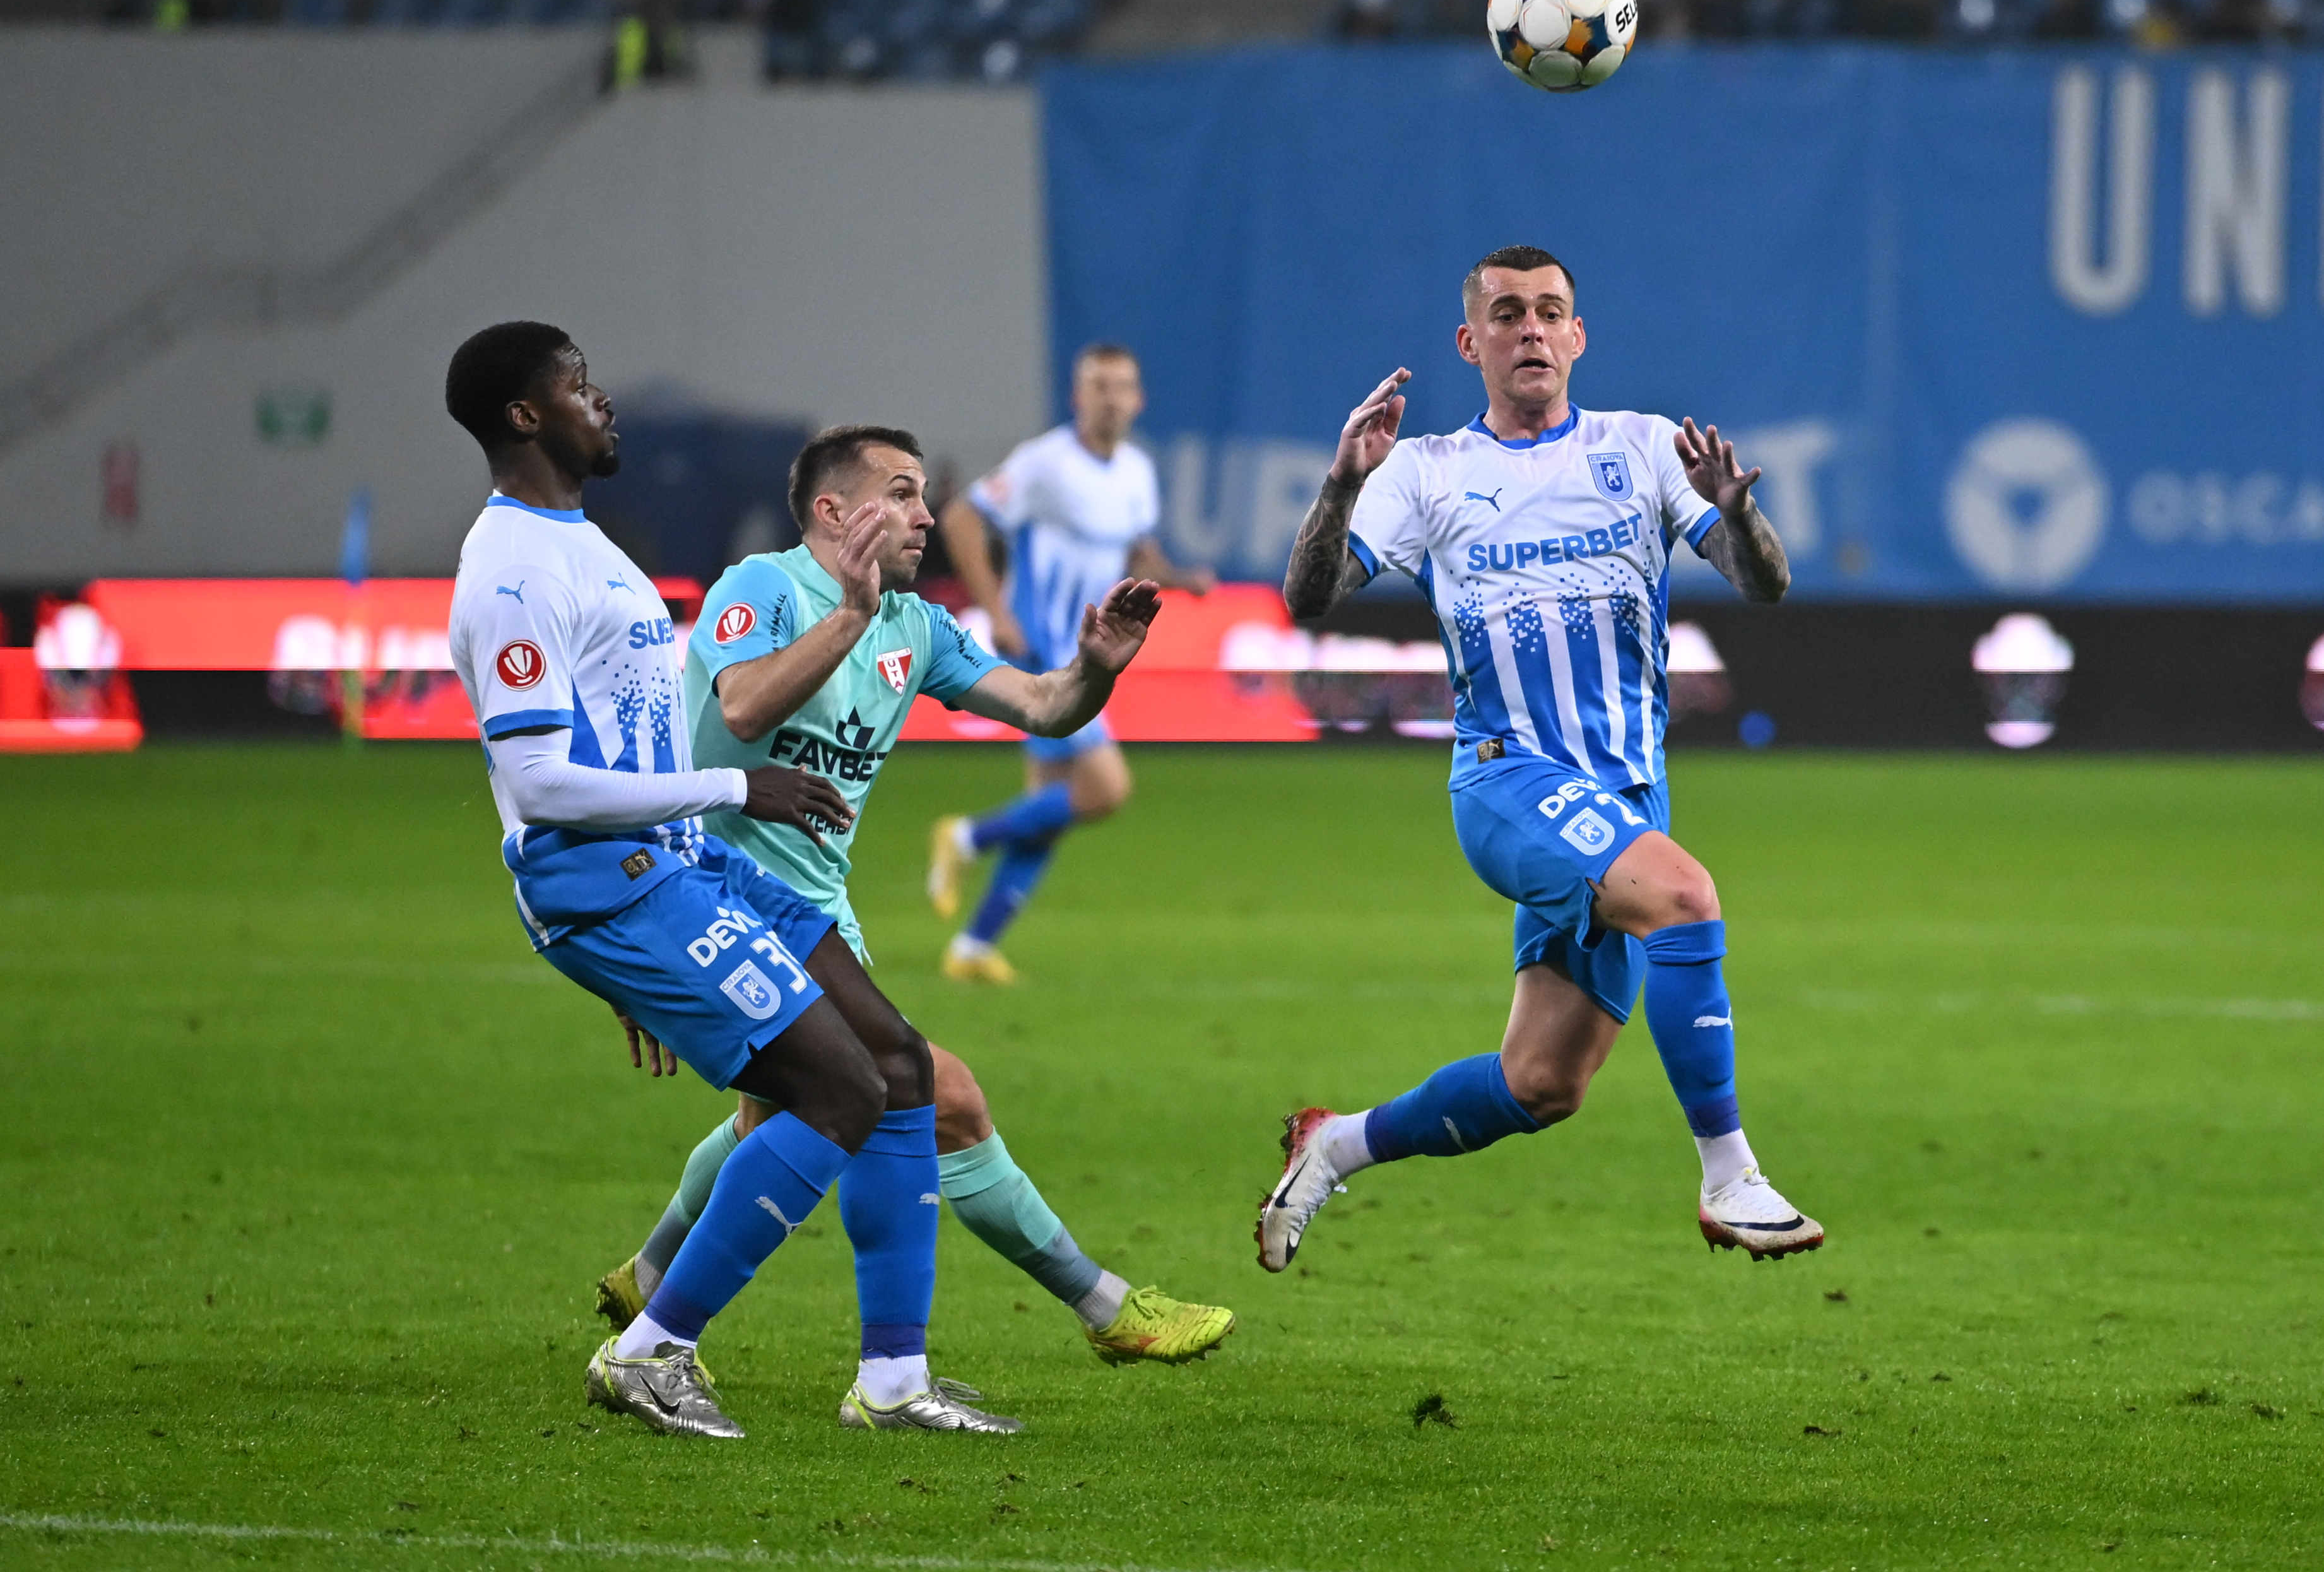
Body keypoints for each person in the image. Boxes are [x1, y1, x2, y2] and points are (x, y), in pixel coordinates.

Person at [443, 321, 1038, 1439]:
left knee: (899, 1064)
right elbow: (534, 781)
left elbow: (634, 728)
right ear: (524, 416)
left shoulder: (579, 541)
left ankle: (893, 1378)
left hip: (682, 862)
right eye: (577, 385)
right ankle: (649, 1348)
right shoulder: (511, 570)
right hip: (609, 882)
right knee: (841, 1090)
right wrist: (730, 788)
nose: (601, 400)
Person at [596, 423, 1236, 1370]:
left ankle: (650, 1281)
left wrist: (1096, 668)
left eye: (924, 494)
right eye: (899, 493)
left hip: (818, 911)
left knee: (777, 1117)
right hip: (714, 904)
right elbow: (742, 707)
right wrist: (849, 615)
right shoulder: (763, 588)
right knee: (936, 1095)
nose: (925, 515)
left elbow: (1043, 705)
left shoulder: (916, 626)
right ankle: (1097, 1307)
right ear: (832, 511)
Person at [1256, 245, 1826, 1274]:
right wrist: (1340, 484)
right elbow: (1308, 595)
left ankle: (1334, 1144)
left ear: (1577, 336)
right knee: (1685, 897)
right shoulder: (1425, 468)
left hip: (1620, 803)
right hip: (1506, 780)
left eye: (1549, 311)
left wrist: (1737, 512)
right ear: (1469, 342)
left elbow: (1763, 584)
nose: (1530, 328)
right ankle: (1729, 1173)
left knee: (1540, 1083)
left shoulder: (1641, 447)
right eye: (1507, 312)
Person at [928, 343, 1215, 983]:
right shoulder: (1044, 463)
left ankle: (972, 948)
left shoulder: (1136, 471)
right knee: (1105, 790)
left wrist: (1178, 579)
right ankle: (966, 837)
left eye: (1121, 386)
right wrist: (996, 611)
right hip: (1043, 649)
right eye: (1098, 385)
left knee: (1051, 810)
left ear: (1138, 400)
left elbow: (1136, 552)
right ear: (1076, 396)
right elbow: (961, 519)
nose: (1110, 398)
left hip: (1087, 647)